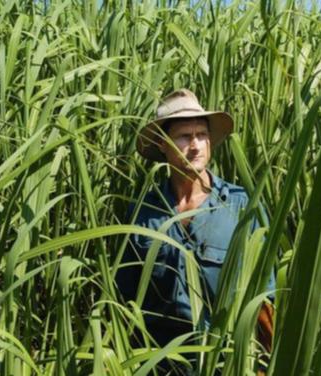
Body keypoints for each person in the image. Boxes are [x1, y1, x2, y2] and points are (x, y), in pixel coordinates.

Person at [116, 88, 274, 374]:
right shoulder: (144, 214)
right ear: (163, 144)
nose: (196, 145)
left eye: (202, 135)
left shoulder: (241, 207)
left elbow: (265, 302)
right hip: (162, 366)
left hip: (226, 365)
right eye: (184, 136)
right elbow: (127, 303)